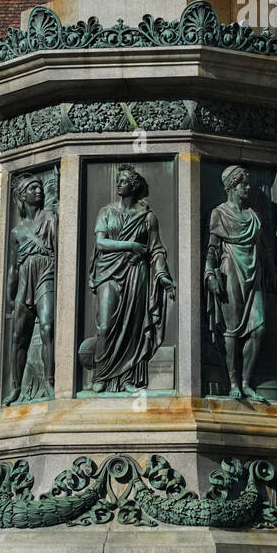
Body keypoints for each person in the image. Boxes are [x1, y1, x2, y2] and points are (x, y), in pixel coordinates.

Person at [80, 166, 175, 393]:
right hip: (108, 273)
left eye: (123, 181)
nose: (118, 184)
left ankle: (128, 378)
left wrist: (162, 275)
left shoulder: (147, 217)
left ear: (133, 186)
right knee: (106, 325)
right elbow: (101, 244)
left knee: (132, 328)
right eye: (118, 181)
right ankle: (101, 374)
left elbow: (157, 250)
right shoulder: (106, 212)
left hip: (136, 275)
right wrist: (131, 245)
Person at [204, 166, 272, 402]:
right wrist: (210, 274)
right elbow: (212, 248)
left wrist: (271, 270)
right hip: (230, 269)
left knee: (259, 328)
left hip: (253, 273)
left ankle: (246, 382)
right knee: (231, 330)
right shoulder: (219, 213)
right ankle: (233, 383)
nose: (248, 188)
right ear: (232, 186)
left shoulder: (253, 216)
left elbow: (262, 248)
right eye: (244, 184)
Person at [4, 173, 57, 405]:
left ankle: (51, 380)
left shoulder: (50, 218)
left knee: (47, 326)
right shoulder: (17, 232)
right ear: (22, 195)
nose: (39, 191)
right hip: (25, 281)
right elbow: (13, 269)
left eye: (40, 188)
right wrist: (8, 296)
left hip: (46, 274)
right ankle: (15, 387)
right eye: (33, 188)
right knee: (18, 336)